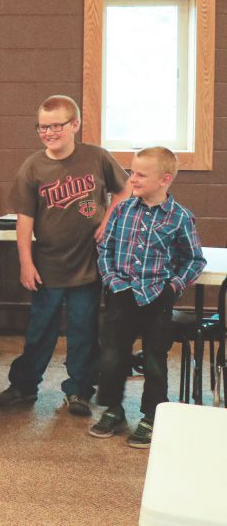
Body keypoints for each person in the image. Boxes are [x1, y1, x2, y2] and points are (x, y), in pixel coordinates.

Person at [0, 95, 130, 416]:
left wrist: (108, 221)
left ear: (74, 125)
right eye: (42, 127)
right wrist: (25, 262)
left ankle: (79, 390)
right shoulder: (33, 167)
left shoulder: (97, 157)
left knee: (83, 330)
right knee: (40, 330)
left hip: (88, 265)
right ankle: (24, 386)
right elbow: (24, 219)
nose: (49, 132)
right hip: (48, 265)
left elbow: (124, 190)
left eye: (56, 125)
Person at [90, 147, 206, 448]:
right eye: (131, 172)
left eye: (140, 174)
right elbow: (105, 249)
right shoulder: (123, 210)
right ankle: (113, 409)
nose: (132, 179)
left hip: (157, 298)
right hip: (121, 294)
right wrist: (114, 281)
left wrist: (173, 287)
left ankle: (152, 415)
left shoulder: (179, 218)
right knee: (113, 355)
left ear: (165, 179)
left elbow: (194, 260)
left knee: (154, 358)